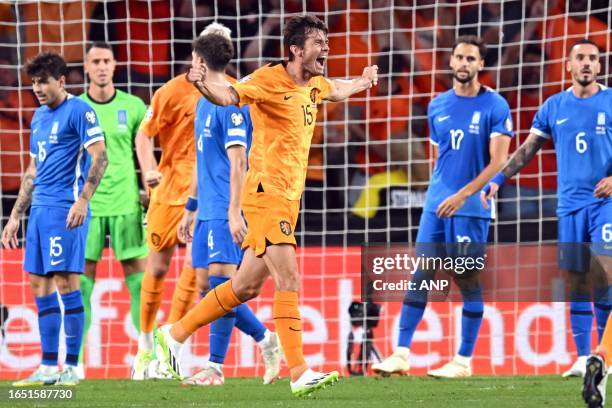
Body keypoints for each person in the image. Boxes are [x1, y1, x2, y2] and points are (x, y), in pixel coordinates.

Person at [155, 14, 378, 397]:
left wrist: (363, 81)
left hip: (290, 199)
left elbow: (336, 90)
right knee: (288, 279)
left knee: (243, 287)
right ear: (295, 49)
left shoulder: (313, 85)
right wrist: (205, 86)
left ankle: (172, 336)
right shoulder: (265, 79)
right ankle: (299, 371)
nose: (326, 48)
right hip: (265, 194)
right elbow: (228, 97)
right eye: (318, 42)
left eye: (326, 41)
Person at [372, 35, 513, 378]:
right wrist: (441, 195)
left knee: (466, 279)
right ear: (451, 63)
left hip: (470, 208)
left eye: (471, 59)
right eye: (459, 57)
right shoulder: (437, 106)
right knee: (421, 274)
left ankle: (463, 361)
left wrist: (462, 195)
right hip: (437, 205)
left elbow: (499, 163)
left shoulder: (496, 106)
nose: (464, 64)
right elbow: (441, 159)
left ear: (481, 65)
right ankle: (401, 354)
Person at [479, 39, 611, 404]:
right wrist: (496, 180)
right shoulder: (554, 107)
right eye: (580, 58)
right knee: (578, 281)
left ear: (600, 66)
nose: (586, 64)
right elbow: (525, 152)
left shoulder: (611, 101)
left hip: (605, 204)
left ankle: (606, 355)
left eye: (593, 59)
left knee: (606, 272)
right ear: (569, 65)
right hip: (569, 206)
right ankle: (585, 358)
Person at [175, 26, 282, 387]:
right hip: (206, 209)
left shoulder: (233, 102)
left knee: (224, 285)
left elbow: (239, 162)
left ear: (201, 62)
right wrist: (191, 206)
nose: (191, 64)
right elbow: (202, 159)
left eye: (193, 58)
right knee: (208, 289)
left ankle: (214, 367)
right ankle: (266, 339)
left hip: (225, 207)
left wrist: (234, 211)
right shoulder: (203, 99)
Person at [1, 51, 108, 386]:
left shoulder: (79, 110)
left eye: (43, 82)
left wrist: (82, 201)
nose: (37, 88)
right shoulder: (38, 117)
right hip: (39, 211)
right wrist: (16, 215)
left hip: (66, 210)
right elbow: (33, 170)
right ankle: (48, 367)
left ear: (61, 81)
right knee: (39, 284)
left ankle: (73, 367)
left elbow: (100, 158)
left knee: (66, 283)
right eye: (33, 83)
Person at [131, 33, 202, 380]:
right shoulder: (169, 92)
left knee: (193, 269)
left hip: (206, 197)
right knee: (157, 269)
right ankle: (144, 345)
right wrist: (148, 169)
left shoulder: (233, 91)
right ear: (194, 56)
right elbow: (143, 134)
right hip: (169, 193)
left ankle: (169, 345)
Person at [78, 42, 148, 379]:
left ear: (115, 65)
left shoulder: (134, 106)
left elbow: (145, 150)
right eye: (96, 61)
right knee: (81, 283)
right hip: (88, 206)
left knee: (142, 282)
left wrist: (150, 187)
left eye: (107, 60)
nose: (102, 67)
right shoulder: (74, 107)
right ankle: (74, 363)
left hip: (126, 203)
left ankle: (146, 359)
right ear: (86, 67)